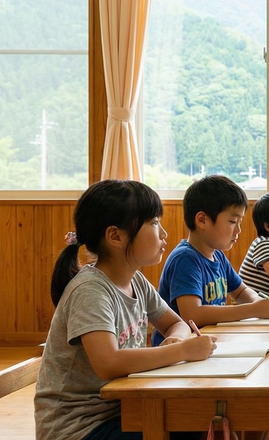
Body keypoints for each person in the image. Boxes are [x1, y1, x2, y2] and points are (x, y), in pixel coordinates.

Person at [34, 180, 217, 440]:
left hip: (122, 408)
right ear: (116, 236)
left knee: (197, 418)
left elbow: (177, 323)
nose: (164, 233)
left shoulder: (136, 281)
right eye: (154, 223)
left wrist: (176, 339)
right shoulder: (90, 290)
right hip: (80, 428)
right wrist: (180, 350)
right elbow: (108, 364)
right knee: (188, 425)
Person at [152, 175, 269, 346]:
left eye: (240, 222)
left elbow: (241, 292)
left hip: (209, 343)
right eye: (232, 221)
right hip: (178, 352)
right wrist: (251, 310)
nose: (238, 230)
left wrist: (259, 302)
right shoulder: (185, 259)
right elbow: (193, 314)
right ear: (202, 220)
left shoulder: (218, 255)